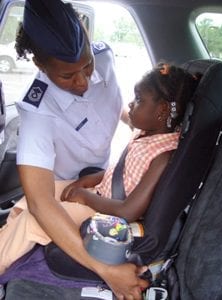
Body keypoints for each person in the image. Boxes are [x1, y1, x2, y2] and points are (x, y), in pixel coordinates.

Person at [0, 63, 200, 291]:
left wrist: (85, 197)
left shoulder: (163, 156)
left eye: (139, 99)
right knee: (35, 197)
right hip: (101, 194)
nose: (131, 104)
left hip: (110, 217)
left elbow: (128, 210)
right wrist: (92, 179)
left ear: (162, 110)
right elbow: (123, 172)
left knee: (32, 220)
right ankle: (8, 242)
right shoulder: (146, 135)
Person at [2, 0, 147, 299]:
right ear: (40, 65)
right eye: (67, 76)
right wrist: (105, 270)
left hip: (102, 181)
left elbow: (111, 101)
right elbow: (41, 200)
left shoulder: (104, 56)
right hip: (63, 185)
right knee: (23, 214)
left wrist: (138, 128)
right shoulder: (37, 107)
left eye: (87, 66)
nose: (82, 81)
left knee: (27, 223)